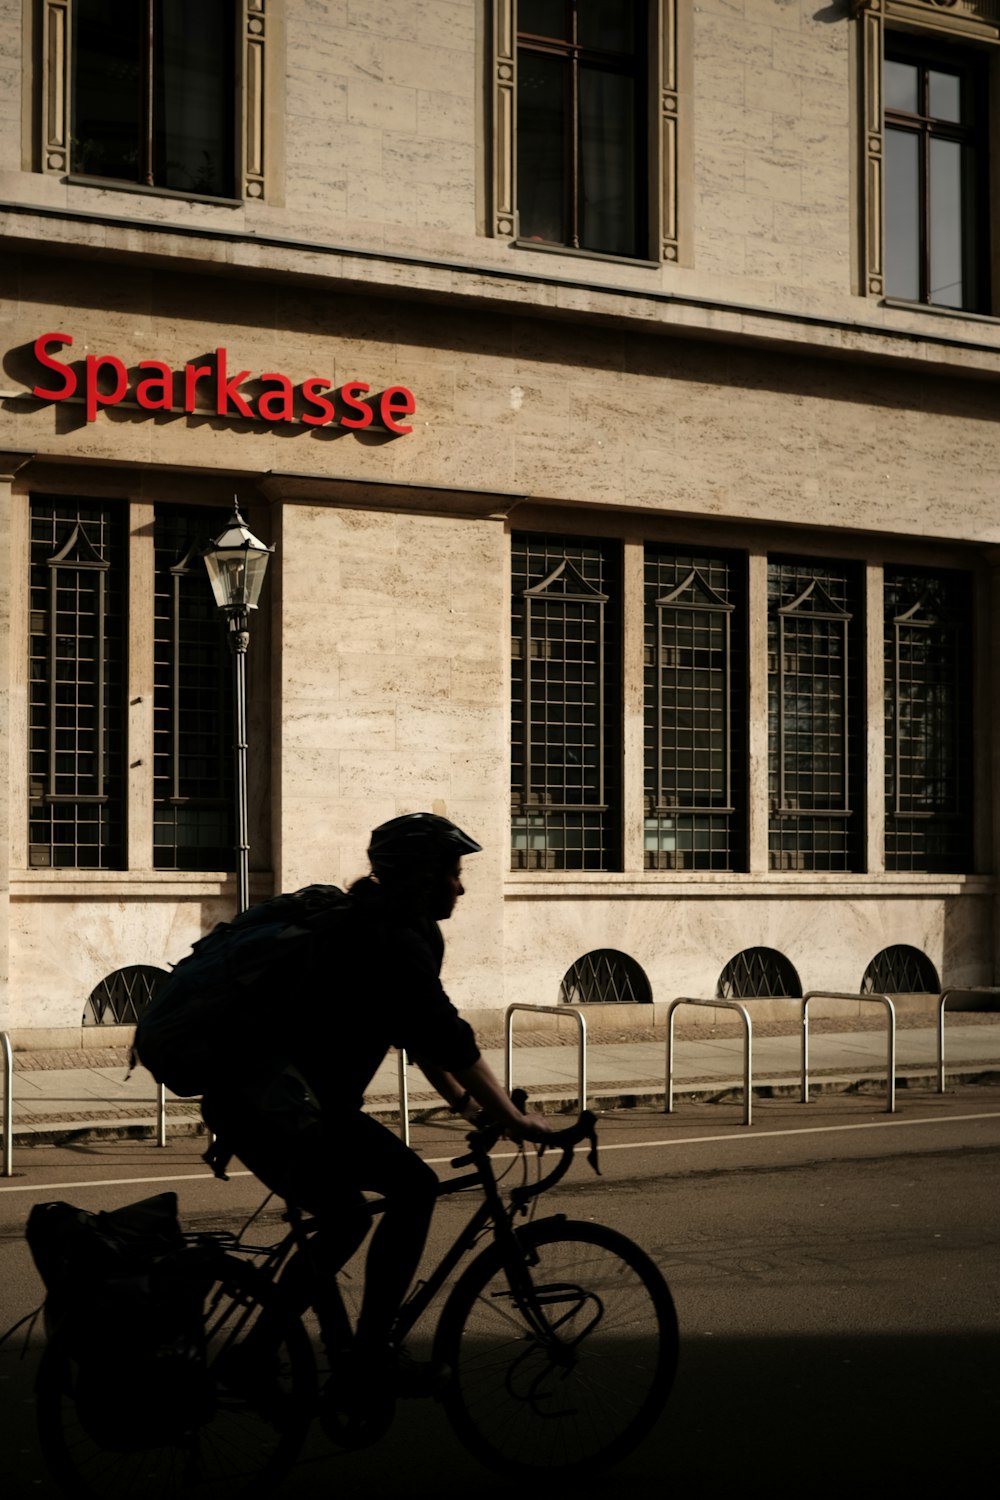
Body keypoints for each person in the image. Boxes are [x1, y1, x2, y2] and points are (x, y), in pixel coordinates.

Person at [200, 812, 549, 1413]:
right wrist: (513, 1121)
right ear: (419, 879)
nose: (461, 887)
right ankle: (369, 1355)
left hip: (273, 1104)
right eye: (453, 873)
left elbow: (415, 1031)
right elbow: (446, 1033)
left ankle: (261, 1355)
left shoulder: (383, 928)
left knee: (344, 1220)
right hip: (278, 1107)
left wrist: (467, 1106)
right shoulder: (385, 937)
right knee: (412, 1188)